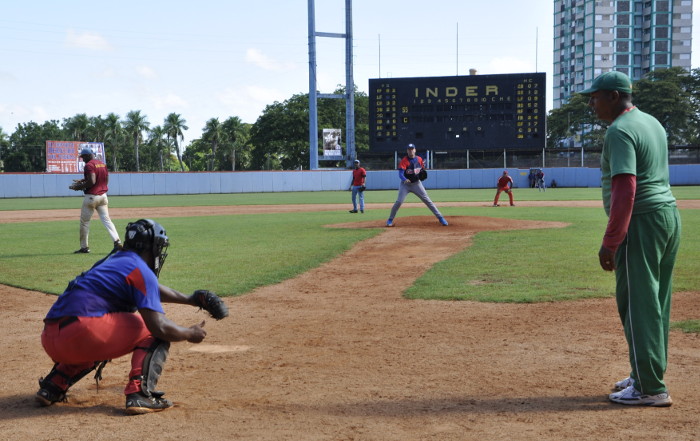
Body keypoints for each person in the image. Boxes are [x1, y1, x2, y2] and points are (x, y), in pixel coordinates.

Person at [36, 219, 227, 415]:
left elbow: (148, 288)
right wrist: (188, 332)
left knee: (110, 329)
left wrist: (192, 299)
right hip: (85, 333)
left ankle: (53, 385)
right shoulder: (140, 269)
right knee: (154, 332)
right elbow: (159, 327)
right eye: (158, 247)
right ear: (151, 246)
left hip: (52, 338)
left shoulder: (112, 261)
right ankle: (140, 395)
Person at [581, 70, 681, 407]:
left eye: (595, 97)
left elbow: (626, 187)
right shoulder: (651, 122)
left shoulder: (619, 131)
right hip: (667, 217)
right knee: (656, 302)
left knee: (637, 304)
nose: (592, 103)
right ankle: (645, 373)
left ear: (614, 96)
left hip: (640, 222)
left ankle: (650, 388)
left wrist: (611, 241)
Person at [69, 147, 121, 253]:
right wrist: (84, 180)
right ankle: (117, 242)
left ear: (89, 155)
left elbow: (92, 181)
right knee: (107, 220)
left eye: (83, 157)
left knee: (85, 222)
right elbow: (105, 180)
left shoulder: (89, 165)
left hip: (91, 197)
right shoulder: (102, 164)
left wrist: (78, 187)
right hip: (103, 196)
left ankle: (84, 248)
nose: (82, 159)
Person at [386, 144, 448, 227]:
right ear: (407, 151)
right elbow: (400, 174)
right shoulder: (404, 160)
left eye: (412, 149)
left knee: (427, 200)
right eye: (409, 149)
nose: (410, 150)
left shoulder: (419, 159)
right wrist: (405, 179)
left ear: (415, 150)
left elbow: (422, 169)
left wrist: (422, 172)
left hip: (416, 184)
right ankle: (390, 220)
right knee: (399, 202)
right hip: (405, 185)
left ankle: (440, 217)